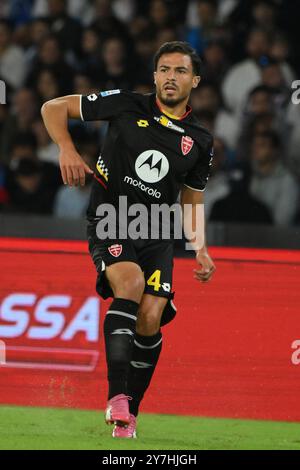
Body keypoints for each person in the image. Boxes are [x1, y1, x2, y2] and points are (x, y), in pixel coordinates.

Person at [41, 41, 216, 438]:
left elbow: (191, 198)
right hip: (111, 217)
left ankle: (128, 415)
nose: (171, 77)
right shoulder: (124, 104)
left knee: (151, 317)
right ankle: (116, 397)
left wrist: (200, 247)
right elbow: (52, 107)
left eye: (181, 71)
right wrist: (66, 149)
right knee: (132, 284)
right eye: (165, 69)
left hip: (156, 230)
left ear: (195, 80)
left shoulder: (200, 141)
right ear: (154, 76)